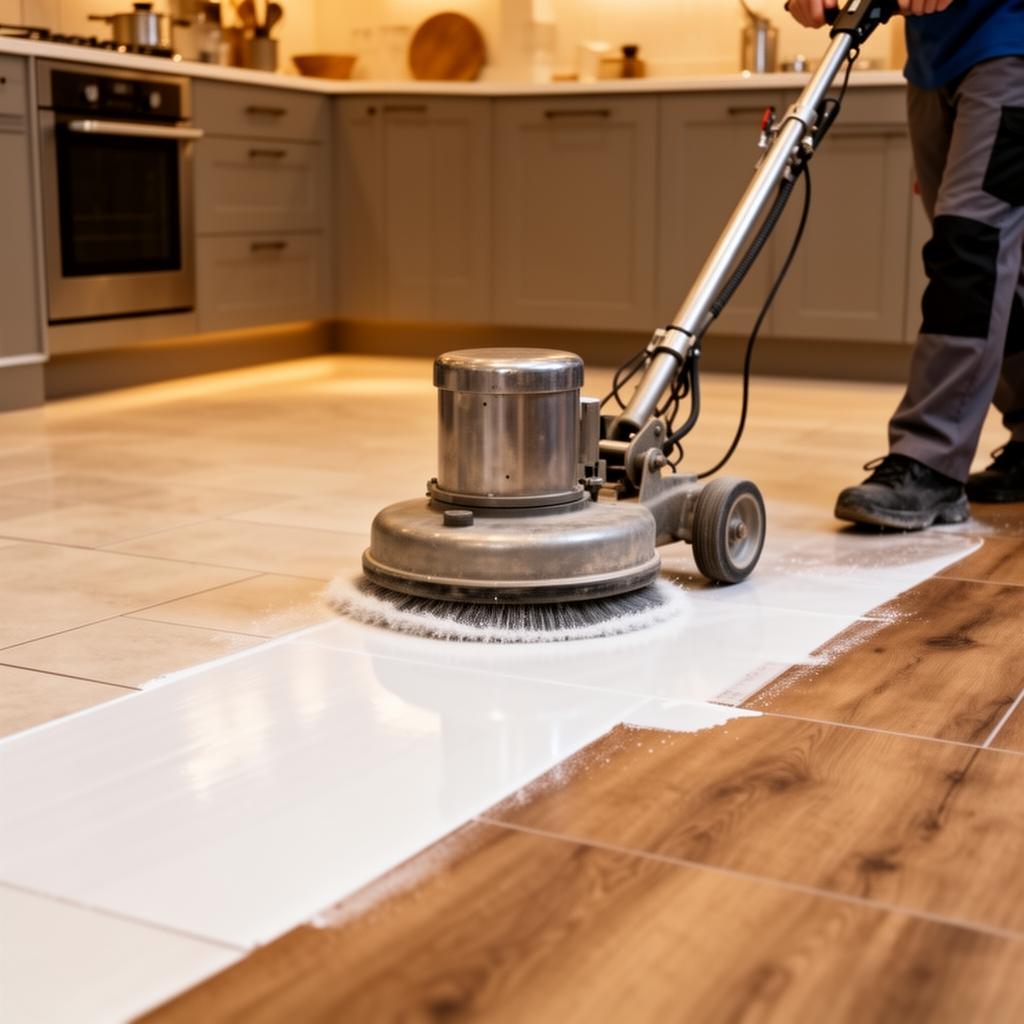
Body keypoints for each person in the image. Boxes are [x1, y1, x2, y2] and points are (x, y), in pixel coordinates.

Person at [786, 0, 1024, 529]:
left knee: (971, 249)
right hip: (932, 61)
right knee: (998, 268)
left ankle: (930, 458)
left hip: (1011, 44)